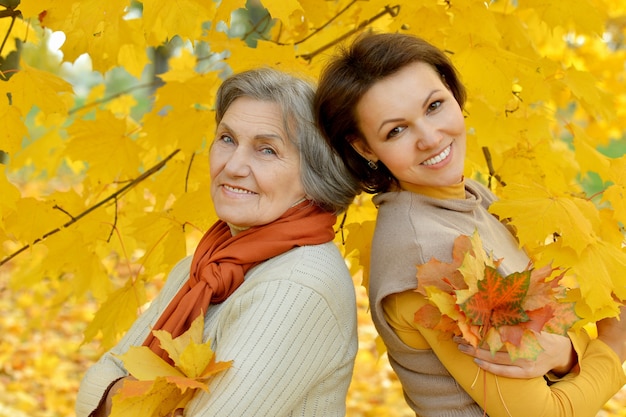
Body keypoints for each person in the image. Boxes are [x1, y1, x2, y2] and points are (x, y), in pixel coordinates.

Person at [314, 31, 626, 417]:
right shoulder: (433, 251)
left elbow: (551, 334)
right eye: (396, 130)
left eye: (434, 106)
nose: (430, 138)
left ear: (451, 91)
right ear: (364, 148)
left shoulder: (473, 199)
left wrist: (564, 353)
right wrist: (614, 345)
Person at [76, 67, 362, 417]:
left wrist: (121, 397)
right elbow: (99, 379)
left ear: (315, 173)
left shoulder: (298, 286)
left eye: (267, 150)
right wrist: (136, 398)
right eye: (227, 139)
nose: (234, 165)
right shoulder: (202, 267)